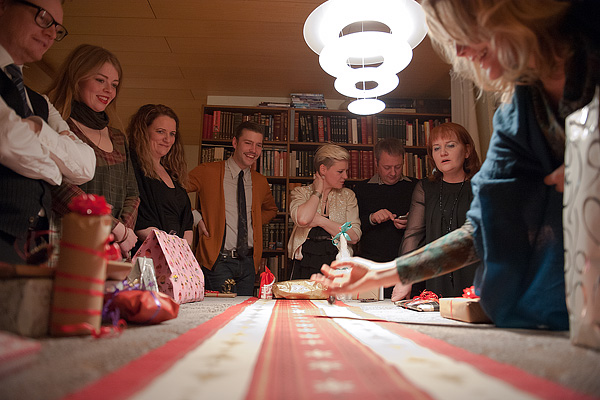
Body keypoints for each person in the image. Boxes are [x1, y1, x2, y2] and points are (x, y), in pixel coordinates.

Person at [313, 0, 600, 330]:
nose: (460, 51)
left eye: (464, 30)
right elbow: (484, 227)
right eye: (452, 41)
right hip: (562, 311)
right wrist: (384, 273)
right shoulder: (515, 115)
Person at [0, 0, 96, 263]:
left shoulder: (40, 102)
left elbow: (85, 166)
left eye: (58, 28)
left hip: (35, 244)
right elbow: (8, 138)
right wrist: (56, 171)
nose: (52, 33)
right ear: (4, 6)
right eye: (43, 18)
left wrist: (36, 129)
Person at [47, 44, 140, 258]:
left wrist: (121, 233)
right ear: (76, 78)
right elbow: (57, 186)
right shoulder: (60, 128)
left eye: (114, 84)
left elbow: (132, 193)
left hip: (113, 248)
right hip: (69, 246)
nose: (109, 90)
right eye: (100, 80)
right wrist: (114, 228)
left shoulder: (118, 137)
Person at [391, 122, 481, 300]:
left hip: (477, 277)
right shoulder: (425, 188)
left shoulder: (482, 186)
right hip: (437, 279)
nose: (443, 153)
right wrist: (404, 278)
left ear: (467, 150)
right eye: (436, 148)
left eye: (450, 145)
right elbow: (413, 235)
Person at [188, 120, 278, 296]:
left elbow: (271, 210)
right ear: (235, 143)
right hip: (217, 261)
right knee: (221, 311)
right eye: (248, 143)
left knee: (244, 310)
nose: (253, 150)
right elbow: (175, 192)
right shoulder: (208, 171)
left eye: (258, 145)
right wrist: (196, 218)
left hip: (249, 263)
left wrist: (254, 222)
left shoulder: (260, 181)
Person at [288, 143, 361, 280]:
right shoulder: (301, 192)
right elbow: (303, 219)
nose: (345, 176)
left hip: (337, 264)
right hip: (305, 262)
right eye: (340, 171)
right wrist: (317, 192)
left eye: (346, 171)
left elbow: (354, 236)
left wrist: (320, 221)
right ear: (323, 169)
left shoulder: (348, 196)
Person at [353, 138, 415, 298]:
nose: (393, 173)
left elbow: (430, 226)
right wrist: (372, 219)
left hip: (408, 267)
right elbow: (351, 229)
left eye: (398, 167)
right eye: (387, 167)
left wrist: (413, 221)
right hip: (372, 267)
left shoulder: (416, 187)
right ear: (376, 163)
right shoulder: (361, 189)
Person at [127, 104, 193, 250]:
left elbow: (187, 221)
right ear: (144, 132)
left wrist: (181, 251)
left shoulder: (173, 174)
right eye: (160, 132)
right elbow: (141, 222)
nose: (167, 139)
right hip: (147, 254)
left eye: (172, 134)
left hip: (175, 255)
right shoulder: (132, 168)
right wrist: (171, 249)